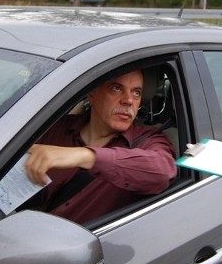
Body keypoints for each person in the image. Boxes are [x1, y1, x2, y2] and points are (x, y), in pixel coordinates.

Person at [25, 69, 177, 224]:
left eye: (136, 92)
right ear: (92, 93)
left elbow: (163, 171)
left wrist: (85, 156)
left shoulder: (148, 140)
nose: (129, 100)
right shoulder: (57, 128)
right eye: (116, 88)